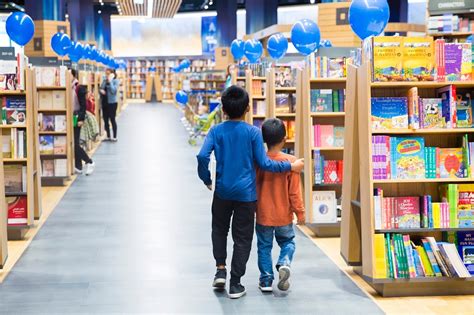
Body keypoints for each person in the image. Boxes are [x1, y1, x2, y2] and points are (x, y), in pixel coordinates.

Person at [196, 85, 304, 299]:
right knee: (242, 239)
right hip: (246, 195)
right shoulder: (253, 133)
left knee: (219, 230)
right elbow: (264, 163)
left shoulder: (216, 131)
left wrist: (207, 179)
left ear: (223, 110)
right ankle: (235, 284)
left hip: (222, 192)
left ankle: (220, 269)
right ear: (247, 108)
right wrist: (289, 167)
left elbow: (202, 156)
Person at [256, 118, 305, 293]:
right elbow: (294, 192)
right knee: (288, 242)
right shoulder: (293, 163)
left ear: (263, 140)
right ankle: (284, 262)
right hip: (284, 215)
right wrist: (300, 213)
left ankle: (266, 280)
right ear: (285, 139)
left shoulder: (259, 162)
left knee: (264, 246)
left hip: (263, 215)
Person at [71, 69, 95, 175]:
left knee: (75, 143)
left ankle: (89, 161)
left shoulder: (78, 88)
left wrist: (81, 119)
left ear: (73, 76)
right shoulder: (69, 87)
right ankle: (78, 166)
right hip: (71, 117)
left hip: (77, 117)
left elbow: (83, 106)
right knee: (74, 142)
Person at [100, 68, 119, 141]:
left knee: (112, 119)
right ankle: (108, 136)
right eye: (106, 73)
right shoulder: (105, 80)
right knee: (105, 120)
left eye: (108, 74)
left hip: (112, 103)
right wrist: (101, 90)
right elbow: (101, 87)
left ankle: (114, 136)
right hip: (105, 103)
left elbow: (114, 91)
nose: (107, 75)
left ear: (112, 74)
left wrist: (110, 81)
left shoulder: (115, 81)